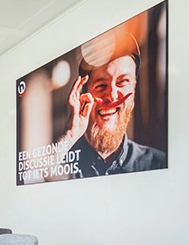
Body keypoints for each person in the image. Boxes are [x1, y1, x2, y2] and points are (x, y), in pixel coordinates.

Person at [58, 31, 166, 177]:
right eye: (101, 85)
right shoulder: (62, 164)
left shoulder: (158, 163)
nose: (112, 96)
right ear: (82, 94)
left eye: (122, 82)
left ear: (133, 91)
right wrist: (70, 136)